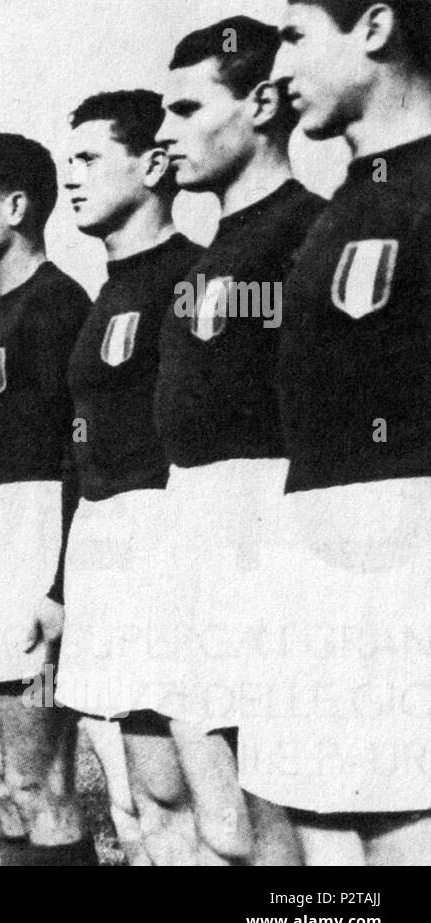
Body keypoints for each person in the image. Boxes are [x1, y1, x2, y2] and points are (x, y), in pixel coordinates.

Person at [240, 0, 431, 865]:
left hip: (404, 543)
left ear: (376, 27)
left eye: (293, 35)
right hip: (316, 536)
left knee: (402, 824)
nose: (278, 68)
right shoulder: (348, 198)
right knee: (319, 829)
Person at [147, 17, 326, 866]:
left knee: (280, 815)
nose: (163, 133)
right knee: (219, 826)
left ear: (260, 104)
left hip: (272, 529)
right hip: (194, 520)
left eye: (185, 109)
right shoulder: (204, 259)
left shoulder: (310, 234)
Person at [54, 90, 205, 865]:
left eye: (87, 158)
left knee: (186, 797)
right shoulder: (106, 292)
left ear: (151, 166)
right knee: (137, 802)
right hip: (105, 547)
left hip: (163, 548)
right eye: (66, 159)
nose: (70, 177)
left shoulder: (189, 277)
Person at [0, 133, 97, 865]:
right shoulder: (1, 311)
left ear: (14, 206)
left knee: (43, 786)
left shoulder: (59, 306)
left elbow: (77, 456)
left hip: (32, 555)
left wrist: (60, 583)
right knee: (2, 778)